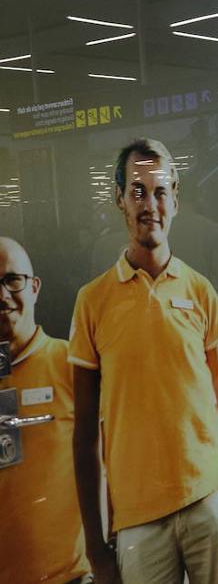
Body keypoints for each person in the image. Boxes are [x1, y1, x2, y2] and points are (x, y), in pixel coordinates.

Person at [70, 138, 218, 584]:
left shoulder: (201, 291)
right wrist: (94, 543)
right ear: (119, 200)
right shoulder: (91, 303)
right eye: (137, 190)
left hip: (207, 500)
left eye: (161, 190)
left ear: (176, 199)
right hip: (137, 523)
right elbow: (85, 432)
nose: (151, 203)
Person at [0, 237, 89, 584]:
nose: (3, 294)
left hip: (73, 575)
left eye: (13, 280)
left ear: (34, 287)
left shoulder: (71, 364)